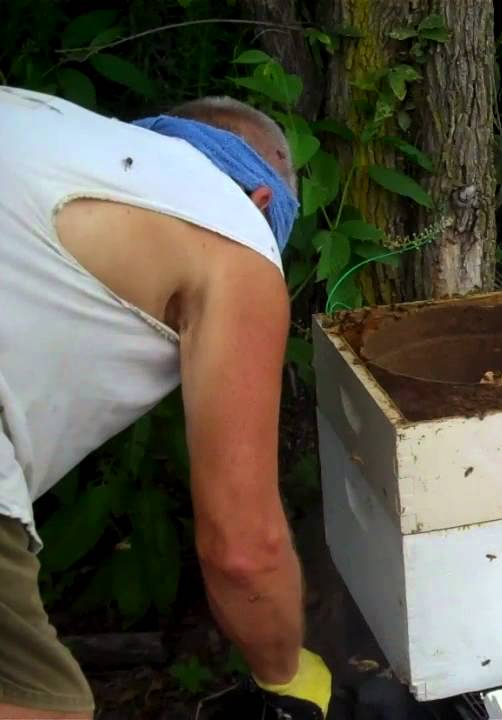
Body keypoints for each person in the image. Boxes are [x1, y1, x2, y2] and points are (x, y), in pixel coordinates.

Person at [0, 87, 332, 718]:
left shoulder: (46, 126)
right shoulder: (231, 233)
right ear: (263, 201)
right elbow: (243, 549)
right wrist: (286, 674)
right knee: (43, 705)